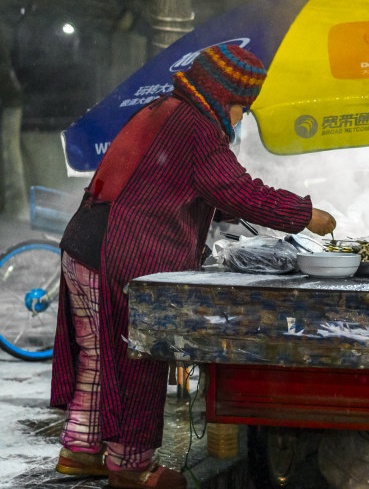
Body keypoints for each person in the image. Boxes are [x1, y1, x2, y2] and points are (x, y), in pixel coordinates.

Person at [50, 44, 336, 489]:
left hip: (83, 244)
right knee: (137, 358)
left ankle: (81, 449)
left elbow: (169, 183)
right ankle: (132, 467)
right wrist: (306, 214)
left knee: (99, 357)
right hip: (124, 253)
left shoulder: (161, 109)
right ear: (225, 98)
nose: (242, 120)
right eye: (243, 109)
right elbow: (239, 192)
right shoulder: (198, 128)